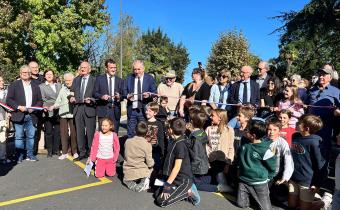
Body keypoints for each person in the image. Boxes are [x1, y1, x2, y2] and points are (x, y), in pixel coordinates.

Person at [155, 117, 200, 207]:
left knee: (161, 202)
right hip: (174, 179)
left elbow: (176, 168)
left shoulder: (180, 145)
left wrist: (167, 186)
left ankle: (189, 192)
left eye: (167, 128)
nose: (166, 130)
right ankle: (177, 190)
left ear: (170, 130)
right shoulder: (174, 141)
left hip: (182, 180)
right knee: (156, 193)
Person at [237, 119, 276, 210]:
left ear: (253, 135)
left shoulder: (265, 149)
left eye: (246, 130)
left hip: (259, 182)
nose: (244, 131)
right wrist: (239, 169)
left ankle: (257, 197)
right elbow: (239, 158)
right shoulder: (244, 143)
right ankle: (251, 198)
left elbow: (272, 166)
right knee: (241, 204)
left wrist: (268, 177)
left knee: (265, 208)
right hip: (243, 180)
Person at [289, 114, 326, 210]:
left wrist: (317, 184)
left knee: (304, 208)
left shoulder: (315, 143)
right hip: (293, 178)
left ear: (307, 128)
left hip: (307, 181)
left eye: (300, 123)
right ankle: (315, 199)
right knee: (292, 205)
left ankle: (324, 202)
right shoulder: (295, 136)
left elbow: (321, 165)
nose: (297, 123)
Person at [6, 65, 43, 162]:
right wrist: (18, 107)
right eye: (24, 73)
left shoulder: (36, 86)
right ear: (20, 74)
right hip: (18, 114)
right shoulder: (14, 85)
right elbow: (9, 99)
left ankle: (30, 154)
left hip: (32, 114)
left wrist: (33, 109)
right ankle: (19, 155)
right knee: (19, 136)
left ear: (30, 74)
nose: (26, 74)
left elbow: (40, 101)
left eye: (27, 72)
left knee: (31, 136)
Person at [305, 67, 340, 163]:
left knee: (323, 151)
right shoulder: (312, 90)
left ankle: (322, 174)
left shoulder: (336, 91)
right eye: (320, 74)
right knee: (309, 149)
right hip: (310, 126)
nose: (321, 77)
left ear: (330, 77)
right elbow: (306, 105)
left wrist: (337, 110)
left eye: (323, 75)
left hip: (325, 127)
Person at [69, 61, 96, 161]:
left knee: (90, 132)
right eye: (81, 67)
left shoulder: (94, 80)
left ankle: (91, 153)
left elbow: (96, 94)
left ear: (89, 69)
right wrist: (71, 98)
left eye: (85, 67)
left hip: (89, 108)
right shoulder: (76, 80)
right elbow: (71, 92)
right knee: (79, 132)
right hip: (78, 108)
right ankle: (82, 152)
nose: (83, 69)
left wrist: (92, 100)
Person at [124, 60, 157, 138]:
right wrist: (127, 96)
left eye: (139, 69)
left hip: (144, 111)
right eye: (135, 69)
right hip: (132, 111)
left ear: (143, 69)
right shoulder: (128, 78)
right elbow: (124, 91)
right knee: (130, 134)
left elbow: (155, 93)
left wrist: (149, 95)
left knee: (145, 133)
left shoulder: (149, 78)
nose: (137, 71)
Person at [205, 109, 234, 192]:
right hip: (211, 161)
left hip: (222, 163)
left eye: (213, 115)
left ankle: (224, 187)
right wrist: (208, 158)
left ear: (220, 118)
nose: (210, 117)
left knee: (220, 178)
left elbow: (231, 148)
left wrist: (228, 163)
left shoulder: (229, 130)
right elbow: (206, 145)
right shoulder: (209, 129)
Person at [51, 72, 78, 160]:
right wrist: (53, 106)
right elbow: (58, 101)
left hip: (73, 114)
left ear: (73, 80)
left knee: (74, 134)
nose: (67, 82)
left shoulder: (76, 88)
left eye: (69, 80)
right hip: (63, 114)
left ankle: (75, 151)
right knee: (63, 134)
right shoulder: (62, 89)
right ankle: (64, 152)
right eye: (66, 80)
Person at [93, 59, 124, 132]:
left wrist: (120, 96)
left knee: (114, 134)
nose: (113, 69)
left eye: (115, 67)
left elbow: (124, 95)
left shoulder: (120, 80)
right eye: (111, 68)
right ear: (106, 68)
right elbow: (94, 93)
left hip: (115, 111)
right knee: (103, 135)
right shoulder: (99, 79)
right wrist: (101, 96)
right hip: (103, 111)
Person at [123, 121, 154, 192]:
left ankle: (133, 184)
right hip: (141, 171)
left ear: (134, 130)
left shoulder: (128, 141)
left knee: (126, 180)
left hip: (128, 172)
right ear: (146, 133)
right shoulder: (147, 144)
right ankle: (144, 181)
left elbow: (126, 154)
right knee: (151, 168)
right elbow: (150, 163)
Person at [39, 69, 62, 157]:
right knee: (48, 132)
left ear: (53, 75)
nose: (49, 75)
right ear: (44, 76)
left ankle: (56, 150)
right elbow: (42, 99)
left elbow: (61, 97)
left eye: (51, 74)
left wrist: (57, 105)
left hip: (58, 111)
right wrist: (46, 106)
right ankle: (49, 151)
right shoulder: (41, 86)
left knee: (57, 131)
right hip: (48, 111)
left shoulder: (59, 85)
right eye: (47, 74)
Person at [144, 102, 165, 182]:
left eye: (149, 111)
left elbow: (161, 139)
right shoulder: (144, 123)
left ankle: (152, 180)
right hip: (145, 150)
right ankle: (145, 179)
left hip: (155, 150)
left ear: (155, 113)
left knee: (154, 167)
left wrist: (162, 152)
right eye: (146, 110)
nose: (147, 112)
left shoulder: (159, 124)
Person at [0, 76, 10, 164]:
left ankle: (3, 157)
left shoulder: (6, 93)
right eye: (0, 81)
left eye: (2, 80)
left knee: (3, 138)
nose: (2, 82)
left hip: (3, 118)